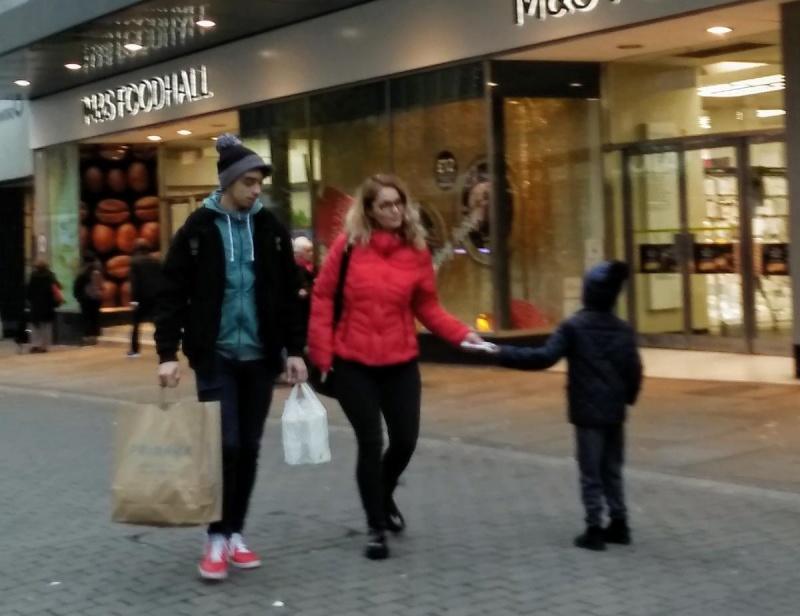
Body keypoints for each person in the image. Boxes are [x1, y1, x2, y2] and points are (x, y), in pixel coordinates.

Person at [307, 173, 486, 561]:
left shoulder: (416, 250)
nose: (394, 210)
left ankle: (382, 493)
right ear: (369, 210)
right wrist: (323, 355)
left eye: (399, 203)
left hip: (400, 363)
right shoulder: (348, 247)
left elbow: (427, 306)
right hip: (353, 363)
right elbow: (322, 297)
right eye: (385, 205)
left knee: (405, 440)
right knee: (371, 442)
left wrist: (461, 334)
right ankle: (376, 527)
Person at [154, 134, 308, 582]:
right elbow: (171, 293)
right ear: (228, 182)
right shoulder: (199, 228)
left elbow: (289, 294)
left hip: (260, 357)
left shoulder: (270, 229)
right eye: (249, 182)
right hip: (216, 355)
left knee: (250, 447)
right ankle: (216, 538)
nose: (256, 190)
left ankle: (236, 532)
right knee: (226, 446)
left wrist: (295, 350)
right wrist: (167, 353)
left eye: (259, 183)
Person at [484, 261, 643, 552]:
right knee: (611, 467)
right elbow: (634, 370)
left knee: (590, 470)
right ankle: (619, 522)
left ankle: (594, 528)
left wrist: (502, 353)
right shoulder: (623, 329)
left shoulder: (574, 326)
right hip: (614, 411)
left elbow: (543, 357)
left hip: (586, 410)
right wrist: (627, 398)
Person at [127, 240, 162, 358]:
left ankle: (134, 350)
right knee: (157, 323)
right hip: (156, 296)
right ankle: (163, 346)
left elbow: (135, 282)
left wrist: (134, 300)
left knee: (136, 324)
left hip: (141, 297)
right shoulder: (156, 260)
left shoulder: (135, 261)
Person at [25, 258, 62, 353]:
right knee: (46, 325)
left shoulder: (33, 276)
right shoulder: (50, 276)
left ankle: (35, 344)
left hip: (36, 304)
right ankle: (44, 345)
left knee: (35, 325)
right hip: (48, 303)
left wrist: (29, 300)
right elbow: (57, 286)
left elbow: (29, 291)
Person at [73, 253, 103, 346]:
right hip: (96, 297)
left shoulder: (83, 271)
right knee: (95, 317)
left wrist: (78, 296)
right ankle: (95, 336)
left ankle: (87, 337)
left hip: (85, 298)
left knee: (86, 318)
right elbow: (101, 285)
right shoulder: (98, 270)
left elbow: (77, 286)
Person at [293, 235, 316, 338]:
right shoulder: (296, 269)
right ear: (299, 254)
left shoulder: (313, 267)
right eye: (308, 251)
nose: (311, 253)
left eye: (311, 250)